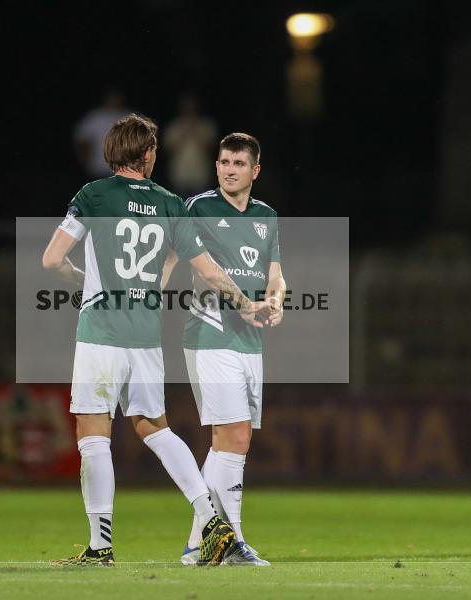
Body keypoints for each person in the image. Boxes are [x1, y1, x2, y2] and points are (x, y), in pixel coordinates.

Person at [42, 115, 274, 566]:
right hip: (145, 335)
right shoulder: (171, 203)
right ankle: (213, 522)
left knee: (93, 433)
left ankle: (100, 546)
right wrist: (245, 304)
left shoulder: (93, 195)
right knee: (154, 427)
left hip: (102, 331)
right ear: (147, 154)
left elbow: (51, 259)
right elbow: (206, 269)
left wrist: (82, 279)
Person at [162, 132, 285, 567]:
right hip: (210, 333)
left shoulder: (266, 216)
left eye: (237, 163)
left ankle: (200, 543)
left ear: (255, 170)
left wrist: (274, 302)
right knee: (232, 435)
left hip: (250, 341)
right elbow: (186, 264)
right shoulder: (199, 208)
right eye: (223, 162)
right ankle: (231, 543)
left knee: (231, 440)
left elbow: (275, 274)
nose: (228, 169)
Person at [163, 94, 217, 199]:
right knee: (180, 209)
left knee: (201, 210)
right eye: (186, 107)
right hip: (179, 175)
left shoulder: (206, 125)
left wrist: (196, 133)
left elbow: (212, 149)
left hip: (201, 175)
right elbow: (167, 151)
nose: (189, 110)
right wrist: (183, 136)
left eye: (192, 107)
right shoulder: (174, 126)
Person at [73, 89, 129, 178]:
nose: (114, 101)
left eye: (116, 98)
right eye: (111, 98)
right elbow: (81, 139)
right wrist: (84, 161)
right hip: (98, 168)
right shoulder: (94, 117)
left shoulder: (129, 116)